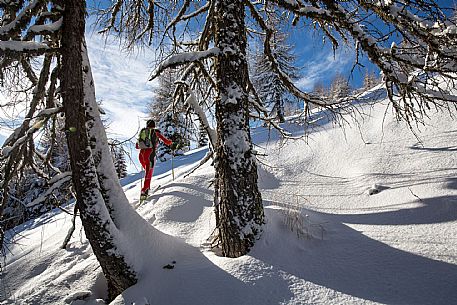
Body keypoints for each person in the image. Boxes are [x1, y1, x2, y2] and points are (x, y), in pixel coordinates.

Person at [136, 119, 172, 200]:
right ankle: (144, 191)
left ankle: (146, 188)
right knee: (149, 173)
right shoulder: (156, 132)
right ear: (154, 125)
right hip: (150, 155)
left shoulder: (143, 132)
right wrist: (171, 143)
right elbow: (166, 141)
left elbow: (137, 146)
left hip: (141, 155)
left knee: (147, 172)